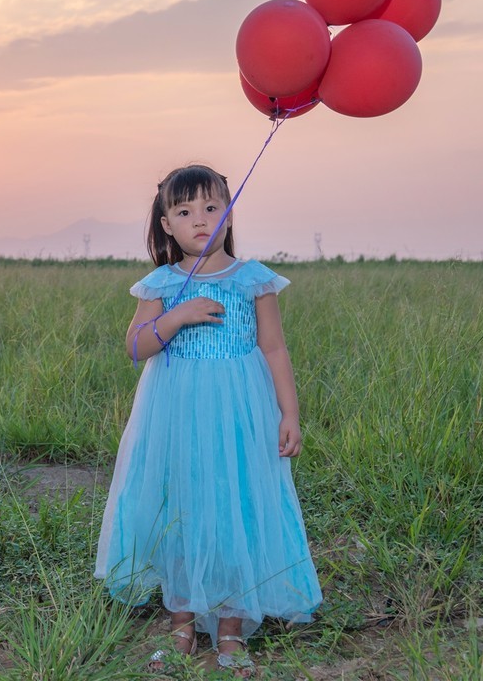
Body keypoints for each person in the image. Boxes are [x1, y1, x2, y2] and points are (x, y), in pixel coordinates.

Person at [94, 165, 322, 677]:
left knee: (234, 506)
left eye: (211, 207)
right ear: (167, 225)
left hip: (240, 414)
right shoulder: (162, 283)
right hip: (177, 415)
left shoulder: (252, 279)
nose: (200, 219)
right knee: (182, 507)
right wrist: (176, 316)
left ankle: (231, 629)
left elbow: (274, 348)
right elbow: (136, 346)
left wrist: (289, 413)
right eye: (185, 211)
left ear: (229, 213)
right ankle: (181, 624)